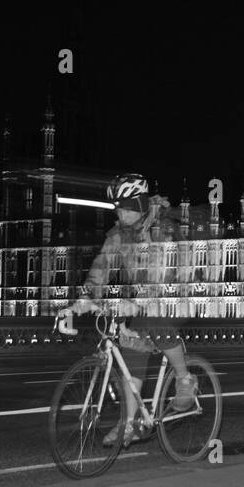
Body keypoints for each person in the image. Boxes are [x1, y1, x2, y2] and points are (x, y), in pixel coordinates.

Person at [67, 173, 197, 448]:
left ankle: (185, 379)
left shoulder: (163, 228)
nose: (119, 211)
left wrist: (143, 299)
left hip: (179, 293)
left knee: (158, 323)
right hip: (145, 300)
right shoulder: (118, 234)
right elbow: (101, 266)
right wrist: (86, 297)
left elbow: (165, 270)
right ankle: (127, 422)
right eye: (116, 206)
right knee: (131, 348)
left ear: (138, 204)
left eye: (124, 206)